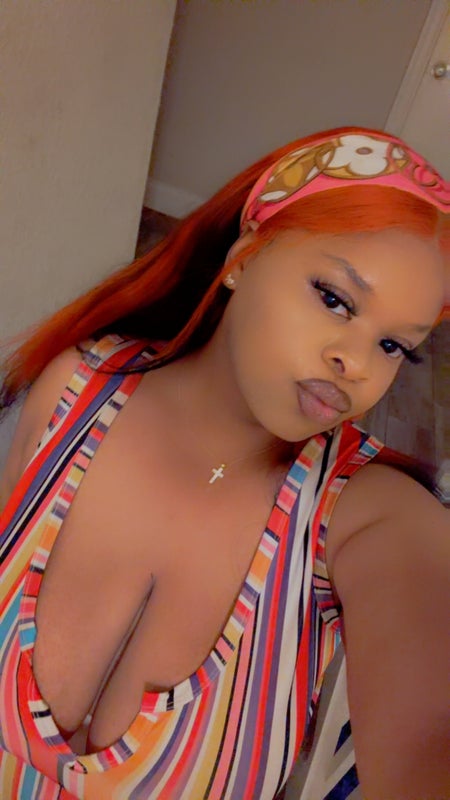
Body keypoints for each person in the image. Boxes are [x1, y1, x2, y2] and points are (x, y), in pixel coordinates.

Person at [0, 127, 449, 800]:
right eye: (334, 298)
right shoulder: (73, 389)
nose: (355, 363)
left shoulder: (366, 514)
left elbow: (430, 729)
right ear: (243, 258)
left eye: (393, 346)